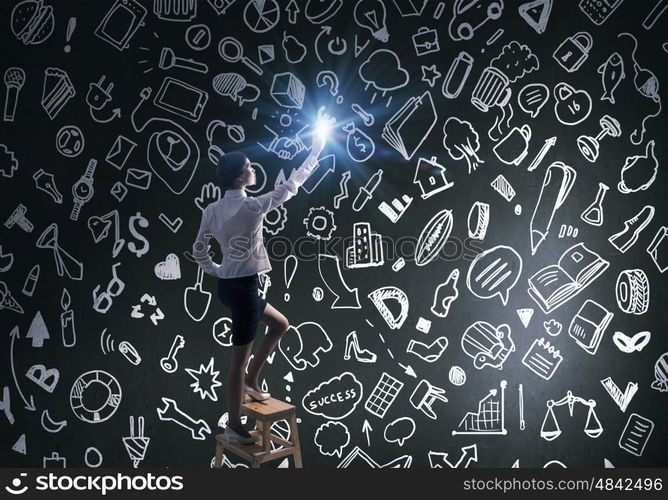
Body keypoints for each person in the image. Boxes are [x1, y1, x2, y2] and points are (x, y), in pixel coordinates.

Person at [192, 114, 333, 445]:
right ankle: (235, 425)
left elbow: (198, 249)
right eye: (250, 166)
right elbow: (293, 185)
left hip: (231, 288)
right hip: (243, 290)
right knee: (236, 365)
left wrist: (217, 270)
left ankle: (254, 380)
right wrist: (315, 151)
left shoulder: (212, 209)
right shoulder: (253, 207)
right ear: (242, 177)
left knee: (280, 324)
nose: (254, 168)